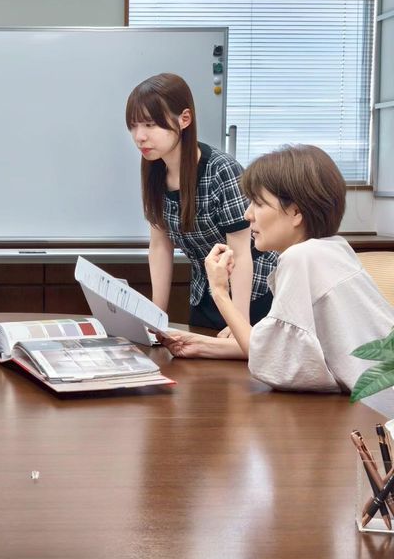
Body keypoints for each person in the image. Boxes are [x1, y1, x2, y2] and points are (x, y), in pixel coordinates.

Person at [166, 145, 394, 406]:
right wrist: (202, 346)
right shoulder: (333, 248)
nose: (247, 214)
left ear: (296, 212)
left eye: (258, 203)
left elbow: (276, 366)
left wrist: (219, 291)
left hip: (378, 414)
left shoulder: (301, 258)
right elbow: (279, 350)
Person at [126, 73, 277, 353]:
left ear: (184, 119)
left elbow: (241, 253)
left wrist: (239, 321)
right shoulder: (154, 168)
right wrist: (155, 317)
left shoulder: (221, 169)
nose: (139, 136)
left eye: (149, 124)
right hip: (205, 295)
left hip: (252, 296)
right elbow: (159, 246)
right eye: (134, 126)